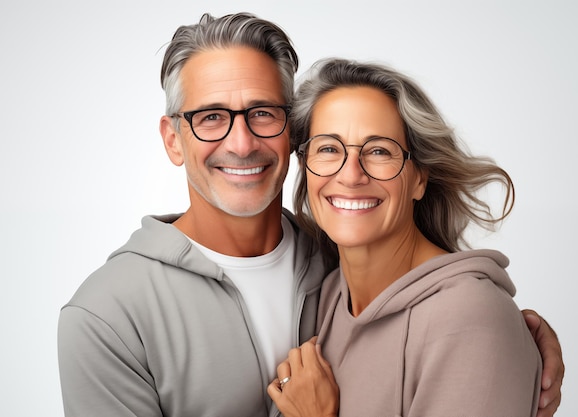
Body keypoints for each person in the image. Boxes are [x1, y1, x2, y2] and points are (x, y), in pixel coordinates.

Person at [57, 12, 564, 417]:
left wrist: (502, 339)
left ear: (290, 136)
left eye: (263, 113)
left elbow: (448, 318)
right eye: (211, 117)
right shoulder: (106, 316)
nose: (241, 142)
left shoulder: (337, 262)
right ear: (173, 139)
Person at [268, 59, 552, 416]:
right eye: (328, 148)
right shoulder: (330, 293)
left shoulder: (470, 318)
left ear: (419, 178)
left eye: (378, 151)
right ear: (304, 165)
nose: (350, 175)